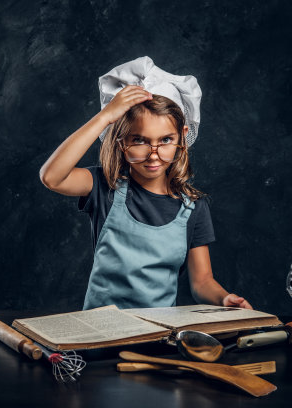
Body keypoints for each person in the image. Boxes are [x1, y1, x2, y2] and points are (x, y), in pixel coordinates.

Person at [40, 56, 252, 310]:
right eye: (139, 140)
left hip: (157, 339)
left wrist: (224, 298)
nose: (154, 154)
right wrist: (105, 117)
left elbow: (202, 281)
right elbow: (52, 176)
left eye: (165, 140)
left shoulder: (194, 207)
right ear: (120, 140)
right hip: (99, 338)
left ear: (182, 137)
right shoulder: (103, 186)